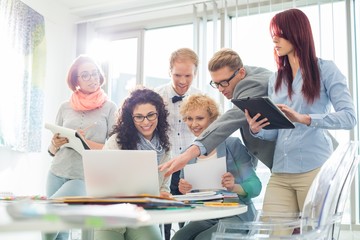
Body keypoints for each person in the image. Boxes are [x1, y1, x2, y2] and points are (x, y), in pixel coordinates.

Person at [244, 8, 356, 216]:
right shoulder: (275, 80)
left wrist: (304, 118)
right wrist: (257, 129)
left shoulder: (326, 70)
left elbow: (349, 118)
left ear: (296, 33)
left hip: (314, 168)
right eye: (273, 36)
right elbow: (275, 132)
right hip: (280, 171)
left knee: (313, 233)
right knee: (273, 234)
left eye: (279, 34)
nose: (274, 40)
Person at [160, 48, 275, 177]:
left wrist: (190, 152)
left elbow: (232, 118)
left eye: (224, 83)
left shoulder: (252, 84)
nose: (220, 89)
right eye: (216, 84)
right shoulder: (158, 96)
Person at [44, 55, 117, 240]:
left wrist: (83, 141)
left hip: (83, 176)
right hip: (56, 172)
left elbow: (113, 149)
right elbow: (53, 151)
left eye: (94, 74)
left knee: (49, 217)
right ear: (76, 80)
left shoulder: (109, 107)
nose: (92, 78)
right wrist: (55, 144)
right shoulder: (65, 107)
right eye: (85, 75)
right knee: (60, 232)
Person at [171, 94, 261, 240]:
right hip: (206, 214)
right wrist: (184, 190)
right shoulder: (187, 155)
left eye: (199, 118)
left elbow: (256, 186)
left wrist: (234, 186)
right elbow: (188, 197)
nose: (194, 124)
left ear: (212, 120)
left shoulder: (232, 145)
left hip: (235, 213)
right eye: (189, 118)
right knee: (178, 238)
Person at [94, 87, 171, 240]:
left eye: (151, 115)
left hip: (141, 213)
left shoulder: (165, 147)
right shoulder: (116, 142)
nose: (146, 122)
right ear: (131, 118)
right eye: (139, 117)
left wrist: (163, 194)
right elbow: (100, 180)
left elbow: (163, 186)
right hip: (112, 212)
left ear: (159, 114)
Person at [155, 47, 201, 239]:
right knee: (162, 219)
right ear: (169, 72)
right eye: (177, 75)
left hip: (192, 167)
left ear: (195, 73)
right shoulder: (156, 97)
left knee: (189, 219)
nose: (183, 81)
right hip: (165, 165)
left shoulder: (202, 98)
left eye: (188, 76)